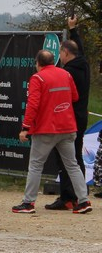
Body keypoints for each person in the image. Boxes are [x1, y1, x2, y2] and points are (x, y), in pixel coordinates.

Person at [12, 50, 92, 214]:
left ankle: (28, 203)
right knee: (73, 165)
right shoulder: (65, 74)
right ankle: (83, 201)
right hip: (68, 127)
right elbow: (75, 97)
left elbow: (32, 105)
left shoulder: (38, 77)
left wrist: (25, 128)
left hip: (46, 129)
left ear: (38, 63)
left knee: (35, 166)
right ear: (53, 61)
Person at [46, 16, 91, 210]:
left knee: (66, 159)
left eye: (61, 53)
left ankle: (68, 197)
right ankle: (75, 196)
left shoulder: (68, 72)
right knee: (74, 158)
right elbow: (79, 49)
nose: (60, 57)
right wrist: (73, 30)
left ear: (65, 53)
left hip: (69, 118)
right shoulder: (83, 63)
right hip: (80, 117)